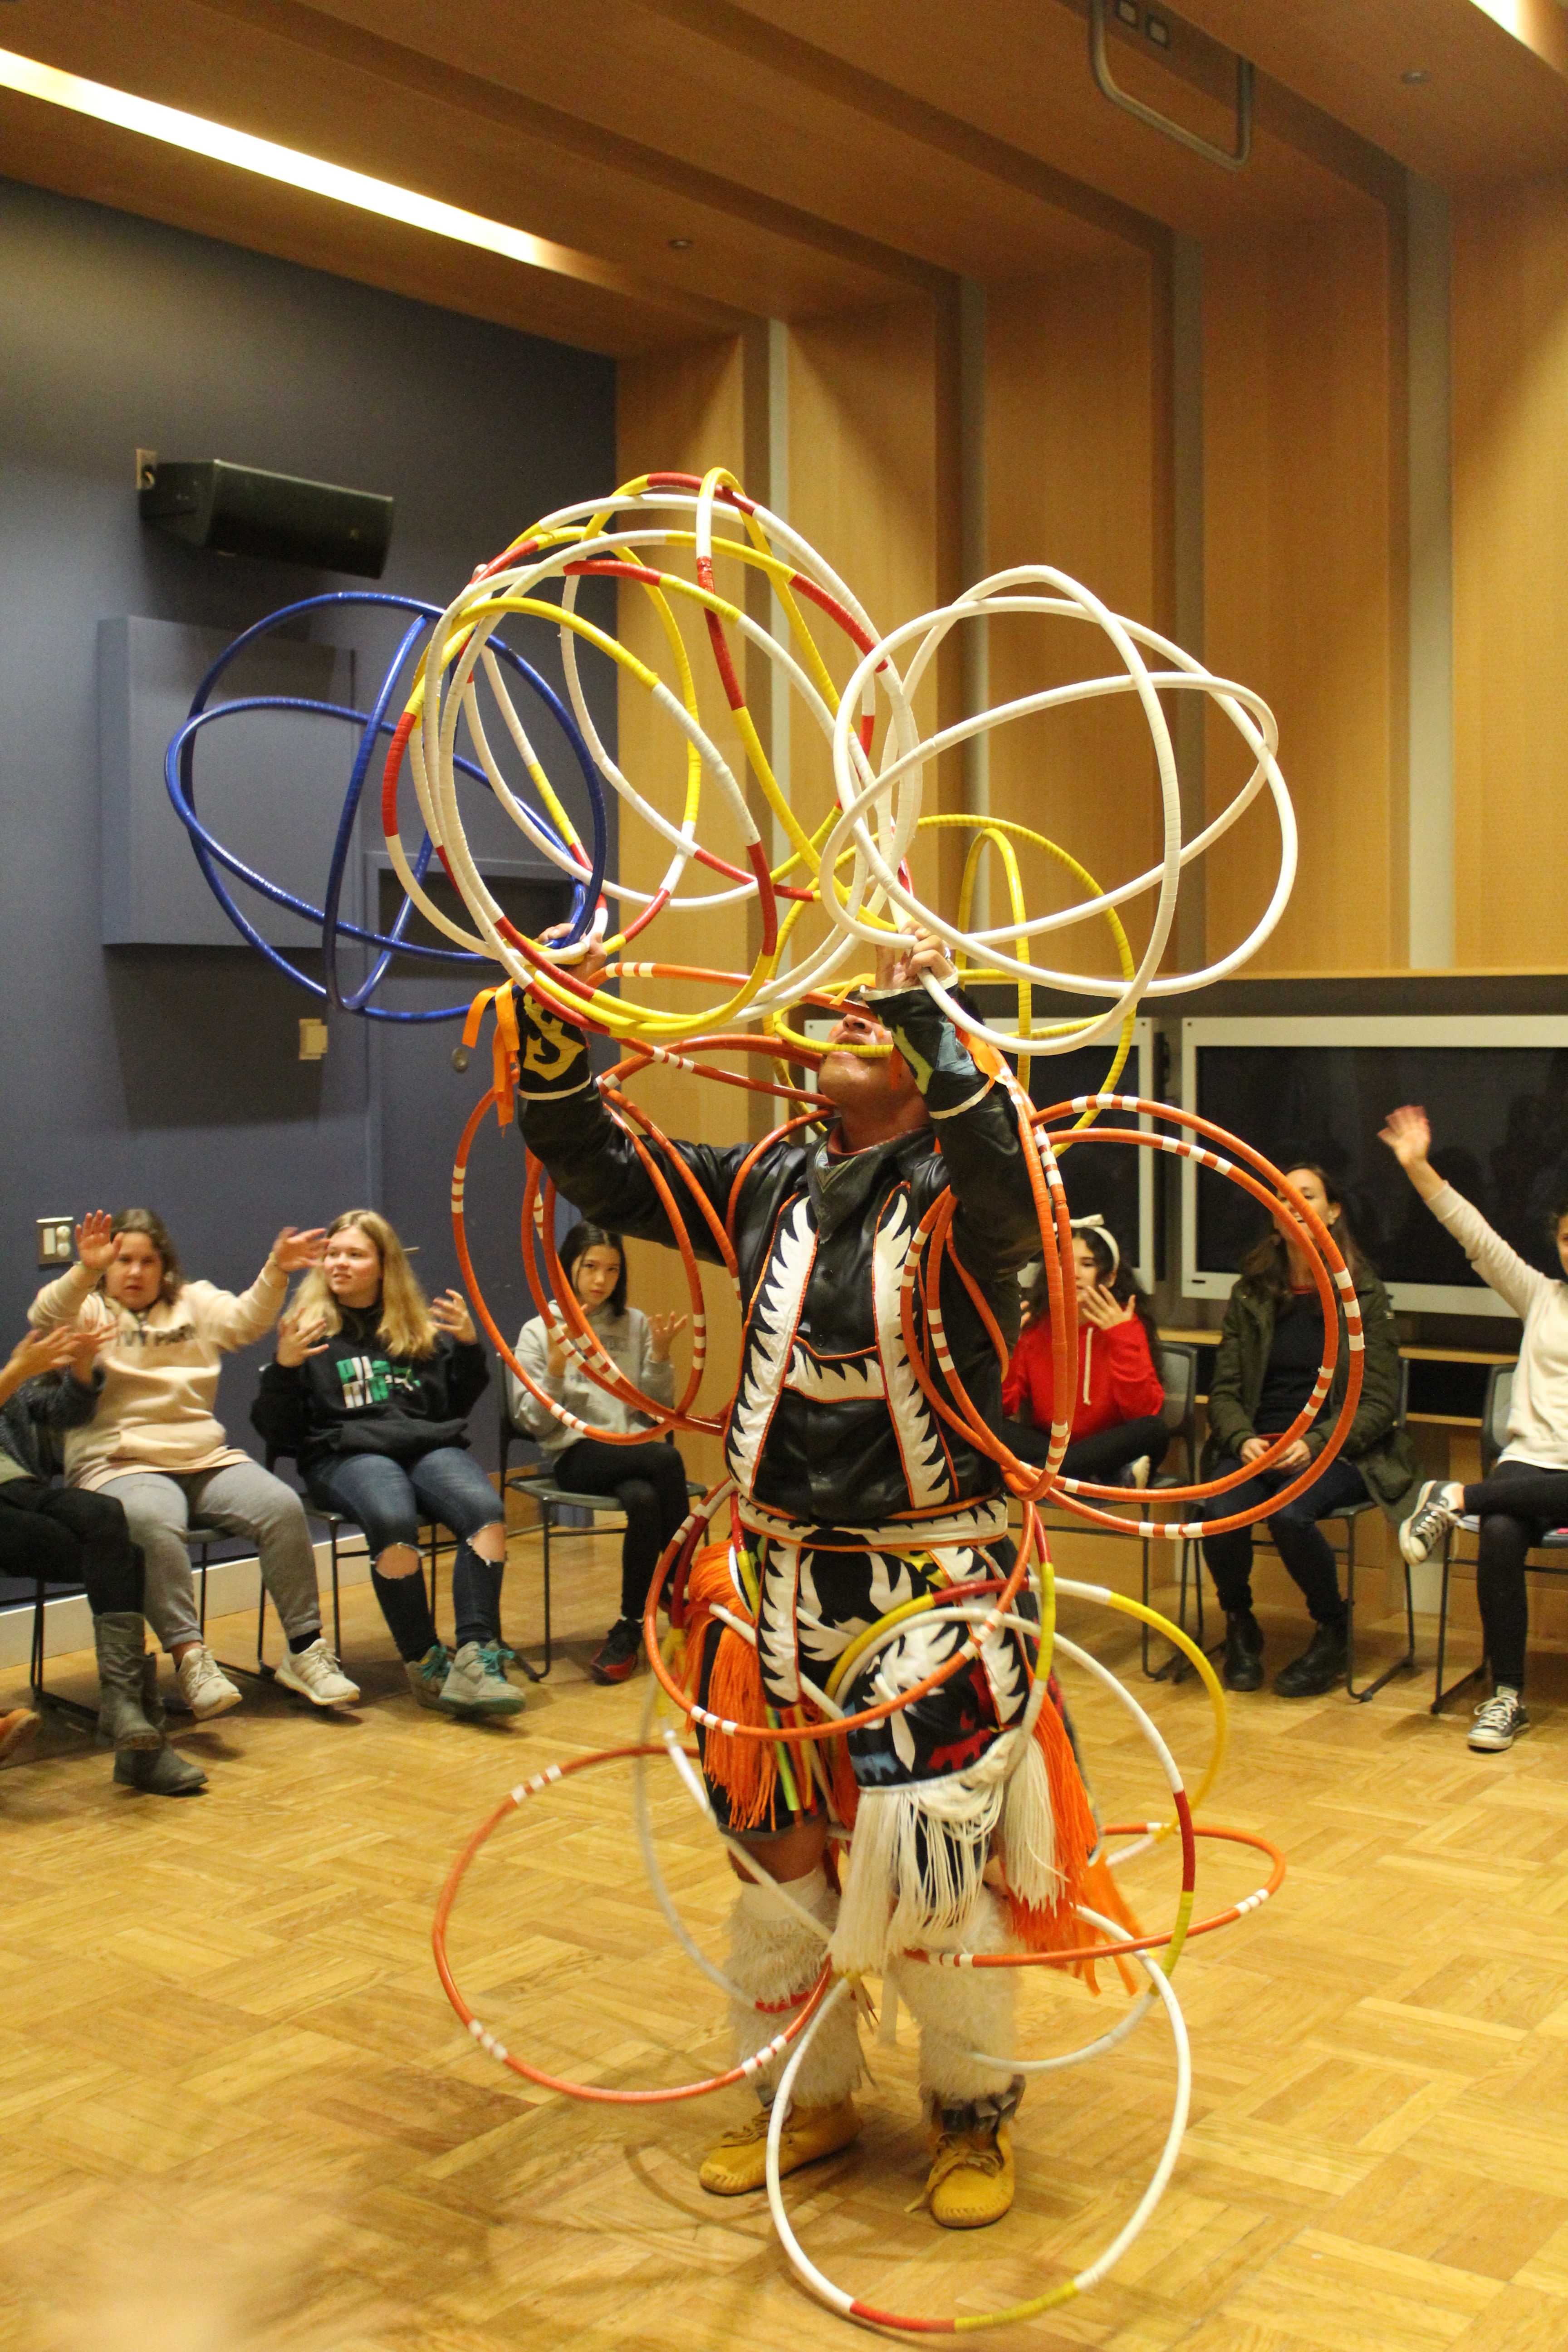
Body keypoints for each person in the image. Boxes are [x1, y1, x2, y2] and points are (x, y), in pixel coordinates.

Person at [510, 922, 1132, 2232]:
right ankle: (812, 2091)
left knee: (932, 1865)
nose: (841, 1019)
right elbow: (615, 1174)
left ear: (925, 1062)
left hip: (933, 1587)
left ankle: (971, 2111)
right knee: (770, 1855)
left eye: (877, 1023)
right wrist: (560, 1051)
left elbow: (1008, 1171)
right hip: (771, 1580)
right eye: (841, 1012)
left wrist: (934, 1017)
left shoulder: (983, 1190)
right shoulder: (771, 1177)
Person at [29, 1210, 358, 1719]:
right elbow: (44, 1318)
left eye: (147, 1261)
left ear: (165, 1267)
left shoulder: (193, 1302)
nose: (134, 1272)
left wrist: (277, 1268)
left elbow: (248, 1320)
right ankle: (191, 1658)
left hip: (203, 1457)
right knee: (152, 1522)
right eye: (122, 1261)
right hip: (120, 1463)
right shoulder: (90, 1309)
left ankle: (305, 1651)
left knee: (280, 1506)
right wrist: (83, 1271)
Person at [252, 1210, 519, 1719]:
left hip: (425, 1447)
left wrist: (466, 1347)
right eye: (333, 1253)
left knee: (485, 1510)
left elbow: (451, 1407)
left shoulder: (412, 1327)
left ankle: (476, 1658)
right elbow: (280, 1432)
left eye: (354, 1254)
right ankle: (423, 1659)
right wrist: (285, 1368)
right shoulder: (308, 1330)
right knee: (394, 1519)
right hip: (345, 1454)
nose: (339, 1263)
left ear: (383, 1265)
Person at [1382, 1104, 1568, 1751]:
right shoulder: (1541, 1295)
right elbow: (1477, 1236)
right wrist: (1419, 1168)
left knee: (1484, 1508)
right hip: (1529, 1467)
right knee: (1499, 1536)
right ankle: (1506, 1696)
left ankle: (1455, 1496)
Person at [1200, 1163, 1417, 1698]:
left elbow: (1379, 1403)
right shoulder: (1251, 1293)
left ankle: (1332, 1628)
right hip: (1259, 1445)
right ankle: (1240, 1624)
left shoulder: (1362, 1295)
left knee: (1291, 1515)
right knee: (1218, 1512)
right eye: (1282, 1199)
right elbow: (1223, 1392)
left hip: (1338, 1450)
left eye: (1307, 1196)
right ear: (1274, 1219)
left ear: (1333, 1211)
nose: (1294, 1205)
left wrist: (1315, 1443)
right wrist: (1241, 1439)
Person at [0, 1324, 205, 1793]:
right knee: (121, 1559)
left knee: (109, 1520)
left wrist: (78, 1366)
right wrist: (16, 1371)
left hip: (24, 1494)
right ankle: (140, 1741)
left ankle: (126, 1712)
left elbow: (66, 1412)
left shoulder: (12, 1388)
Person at [508, 1220, 691, 1683]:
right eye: (590, 1266)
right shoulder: (538, 1329)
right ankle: (679, 1581)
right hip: (577, 1456)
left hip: (630, 1450)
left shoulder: (633, 1324)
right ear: (568, 1266)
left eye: (611, 1269)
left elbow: (657, 1412)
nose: (600, 1279)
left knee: (645, 1499)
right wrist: (554, 1364)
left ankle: (629, 1628)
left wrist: (660, 1356)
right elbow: (533, 1422)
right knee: (667, 1461)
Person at [1000, 1215, 1167, 1487]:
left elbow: (1144, 1412)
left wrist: (1122, 1339)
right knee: (981, 1425)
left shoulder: (1127, 1324)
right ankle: (1091, 1475)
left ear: (1111, 1277)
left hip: (1111, 1446)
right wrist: (1007, 1348)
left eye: (1087, 1265)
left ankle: (1041, 1477)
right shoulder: (1033, 1325)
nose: (1074, 1273)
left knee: (1154, 1430)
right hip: (1051, 1446)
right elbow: (1004, 1405)